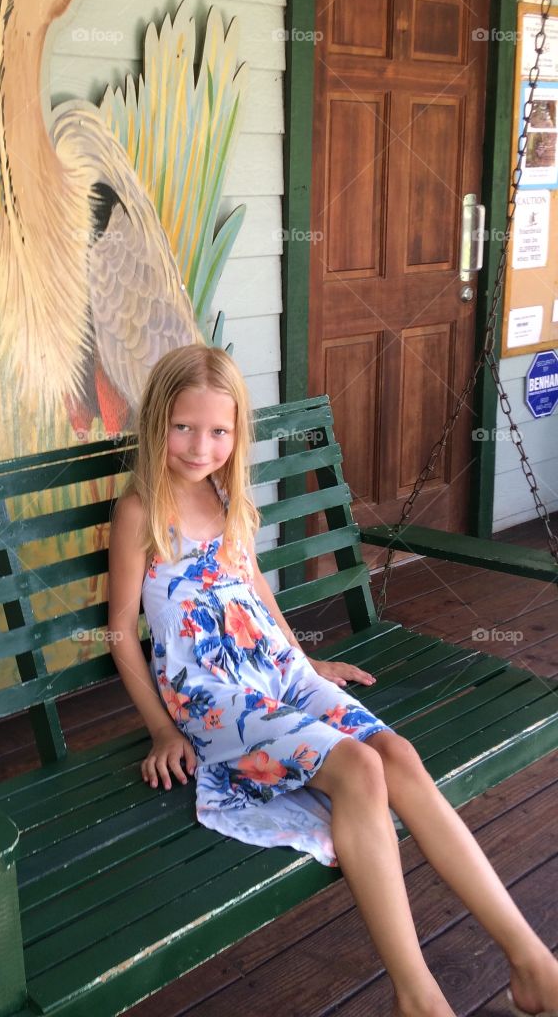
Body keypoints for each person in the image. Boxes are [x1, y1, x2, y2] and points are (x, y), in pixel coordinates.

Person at [107, 342, 558, 1017]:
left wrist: (303, 659)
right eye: (184, 427)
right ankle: (418, 997)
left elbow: (253, 586)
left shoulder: (225, 494)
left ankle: (532, 965)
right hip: (212, 695)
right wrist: (158, 727)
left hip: (276, 670)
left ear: (237, 435)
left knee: (397, 756)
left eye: (219, 431)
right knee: (358, 771)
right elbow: (119, 631)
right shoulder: (141, 509)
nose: (201, 446)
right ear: (156, 424)